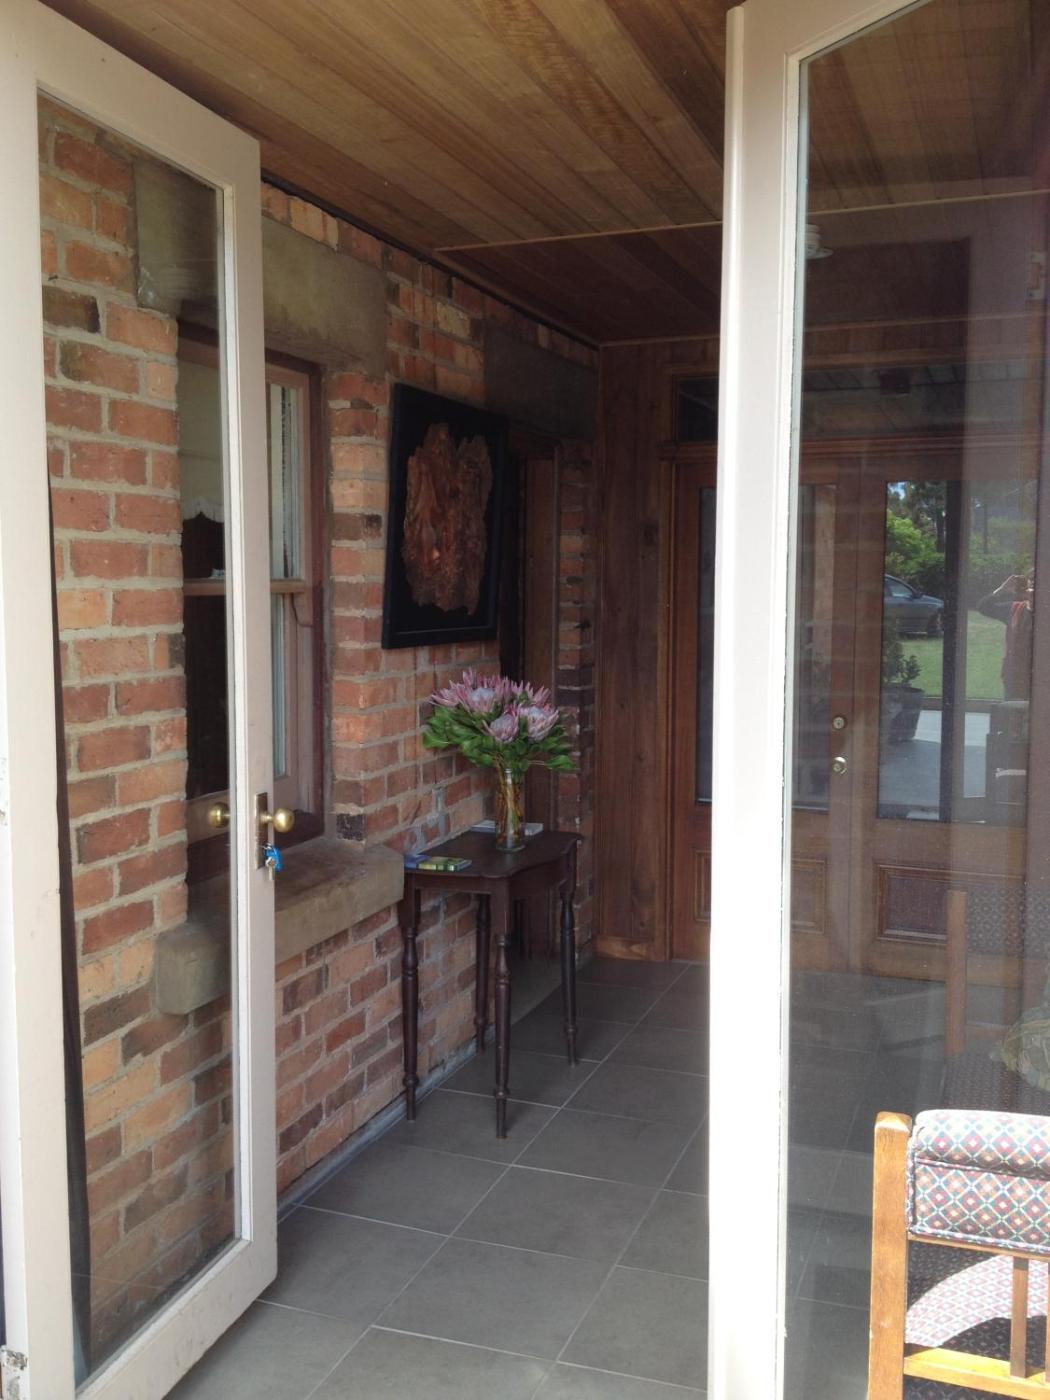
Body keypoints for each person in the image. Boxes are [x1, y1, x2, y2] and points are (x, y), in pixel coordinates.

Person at [977, 571, 1034, 701]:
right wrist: (1002, 589)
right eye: (1031, 581)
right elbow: (983, 607)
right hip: (1014, 677)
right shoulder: (1014, 609)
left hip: (1041, 678)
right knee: (1012, 712)